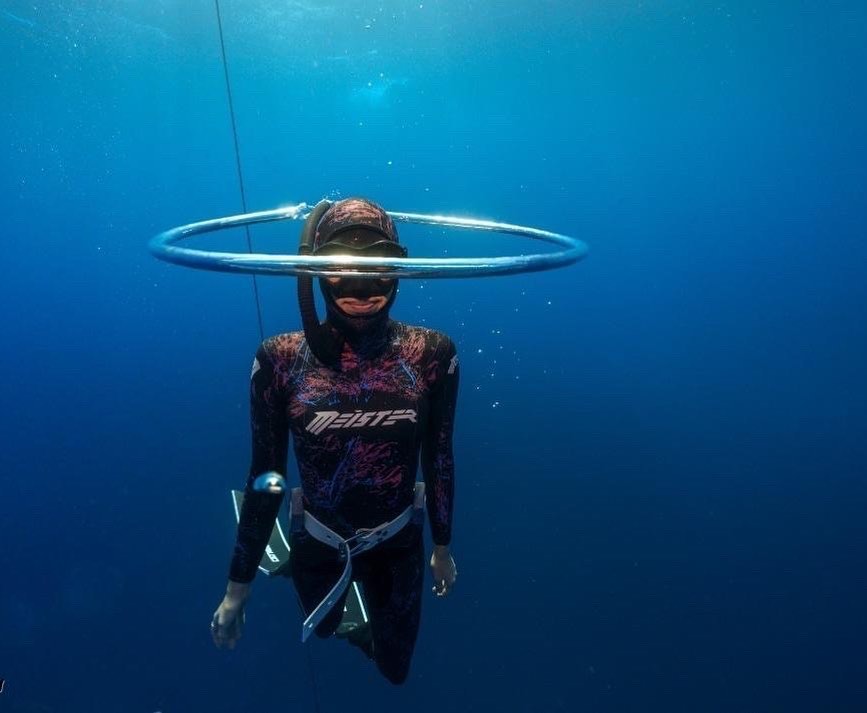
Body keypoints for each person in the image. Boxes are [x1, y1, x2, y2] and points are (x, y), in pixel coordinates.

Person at [210, 197, 459, 685]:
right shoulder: (279, 360)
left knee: (395, 669)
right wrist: (237, 586)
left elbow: (441, 457)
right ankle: (289, 571)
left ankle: (361, 621)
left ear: (398, 269)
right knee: (321, 628)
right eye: (343, 266)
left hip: (398, 540)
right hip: (318, 539)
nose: (362, 286)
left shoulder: (431, 353)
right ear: (315, 269)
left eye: (377, 265)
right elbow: (266, 476)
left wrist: (443, 547)